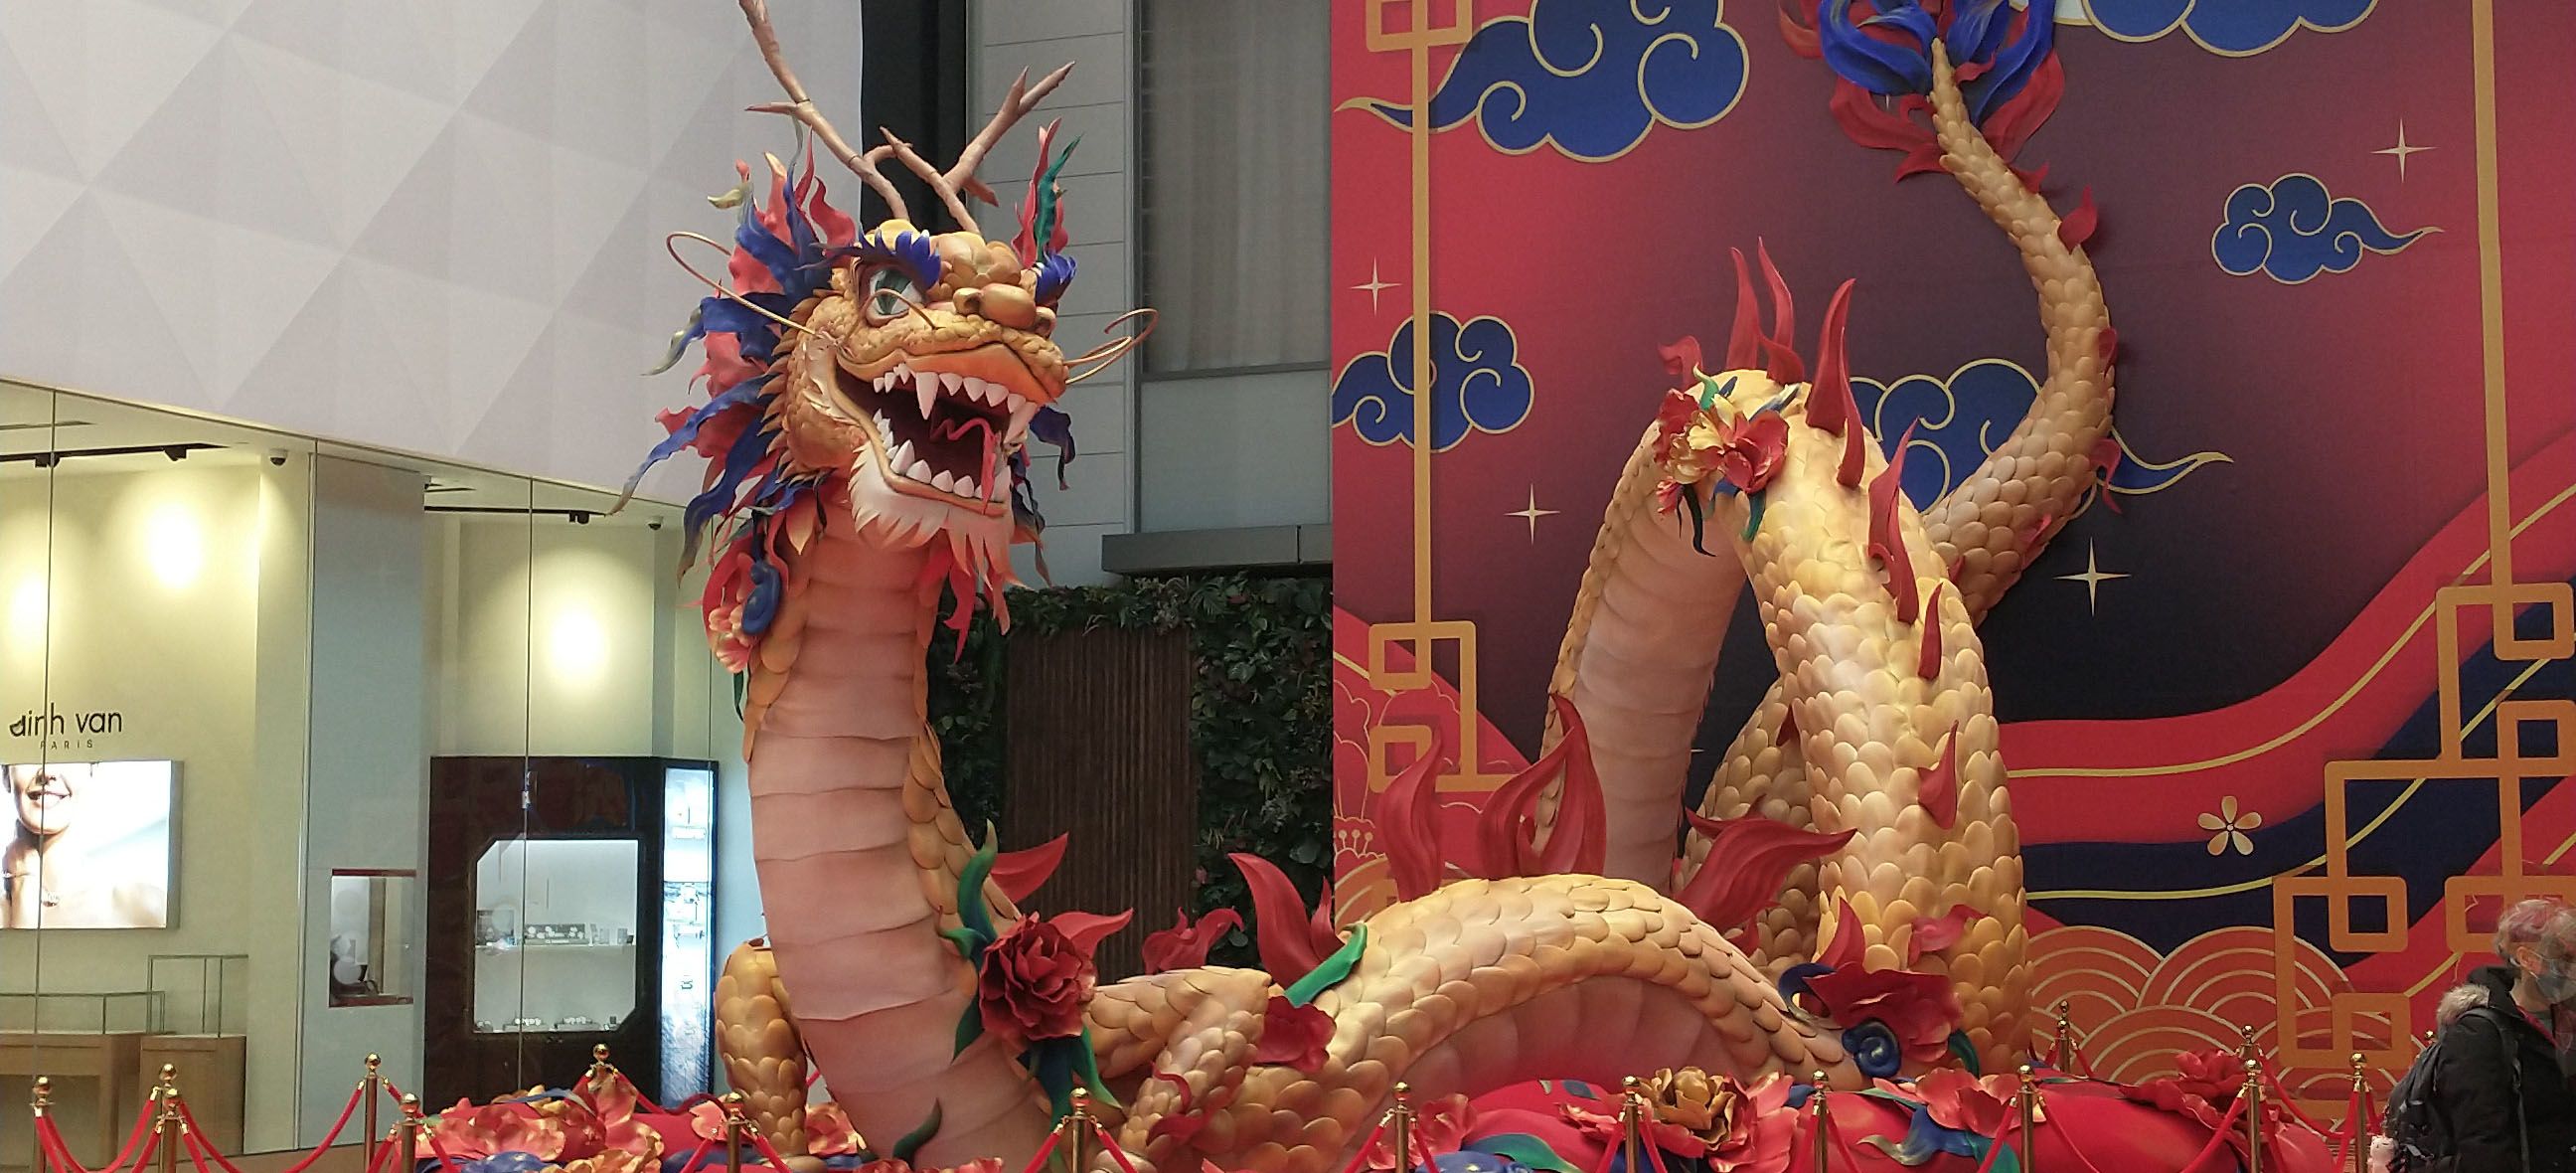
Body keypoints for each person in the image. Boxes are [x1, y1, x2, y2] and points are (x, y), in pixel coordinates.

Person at [2400, 898, 2576, 1172]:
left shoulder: (2568, 1017)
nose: (2573, 968)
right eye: (2566, 959)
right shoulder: (2478, 1033)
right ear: (2527, 959)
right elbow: (2482, 1144)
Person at [1, 763, 166, 929]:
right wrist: (23, 888)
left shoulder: (144, 907)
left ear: (92, 772)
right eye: (30, 754)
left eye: (68, 757)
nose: (47, 772)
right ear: (5, 775)